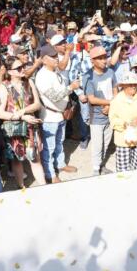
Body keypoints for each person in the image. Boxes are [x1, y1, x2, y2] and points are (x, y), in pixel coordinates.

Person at [0, 56, 45, 187]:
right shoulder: (4, 87)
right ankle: (21, 187)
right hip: (15, 130)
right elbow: (0, 113)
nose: (23, 69)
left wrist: (22, 111)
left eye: (23, 66)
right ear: (10, 71)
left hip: (30, 126)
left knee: (35, 158)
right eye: (18, 68)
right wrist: (20, 117)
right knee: (17, 161)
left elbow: (37, 104)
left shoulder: (29, 82)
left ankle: (44, 186)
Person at [35, 44, 80, 183]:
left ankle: (60, 165)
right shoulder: (42, 76)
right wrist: (71, 87)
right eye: (52, 56)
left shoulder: (54, 71)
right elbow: (54, 96)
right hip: (49, 116)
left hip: (60, 114)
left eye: (56, 55)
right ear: (43, 60)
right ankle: (50, 174)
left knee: (60, 142)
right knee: (49, 147)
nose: (56, 59)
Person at [84, 46, 118, 175]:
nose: (104, 61)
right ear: (92, 60)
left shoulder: (110, 72)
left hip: (110, 114)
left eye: (105, 57)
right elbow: (91, 99)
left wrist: (111, 106)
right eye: (100, 58)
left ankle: (101, 165)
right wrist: (111, 103)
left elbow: (116, 90)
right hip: (96, 116)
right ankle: (95, 170)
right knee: (97, 144)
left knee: (106, 142)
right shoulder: (88, 76)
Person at [108, 72, 137, 172]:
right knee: (123, 169)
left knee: (136, 166)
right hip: (123, 139)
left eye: (135, 84)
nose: (133, 86)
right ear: (123, 86)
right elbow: (112, 119)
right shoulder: (116, 100)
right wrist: (123, 123)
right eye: (130, 84)